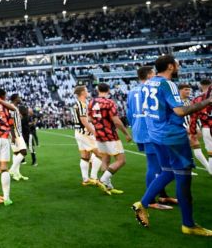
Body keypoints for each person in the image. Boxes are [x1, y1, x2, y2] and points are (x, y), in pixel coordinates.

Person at [132, 55, 212, 236]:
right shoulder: (168, 84)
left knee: (167, 171)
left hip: (156, 135)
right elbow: (180, 110)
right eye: (177, 64)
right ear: (170, 66)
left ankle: (142, 203)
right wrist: (207, 101)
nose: (179, 67)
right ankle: (188, 224)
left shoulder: (148, 84)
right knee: (183, 178)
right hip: (172, 137)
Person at [127, 66, 175, 210]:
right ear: (149, 75)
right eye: (153, 73)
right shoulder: (151, 88)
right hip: (151, 130)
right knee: (155, 165)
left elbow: (129, 112)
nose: (155, 76)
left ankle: (163, 195)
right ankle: (151, 200)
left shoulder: (132, 91)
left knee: (161, 165)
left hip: (139, 129)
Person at [88, 83, 132, 195]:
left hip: (99, 135)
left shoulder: (92, 102)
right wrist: (126, 133)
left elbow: (89, 118)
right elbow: (116, 121)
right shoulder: (109, 102)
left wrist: (99, 124)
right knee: (121, 161)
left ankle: (108, 186)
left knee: (105, 160)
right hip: (110, 135)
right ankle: (103, 180)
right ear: (108, 90)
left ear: (98, 90)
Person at [71, 85, 103, 187]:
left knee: (85, 156)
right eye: (86, 90)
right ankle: (93, 177)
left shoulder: (77, 104)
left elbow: (85, 118)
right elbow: (84, 121)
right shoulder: (82, 104)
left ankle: (85, 179)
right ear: (82, 93)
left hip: (78, 133)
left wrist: (93, 119)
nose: (88, 92)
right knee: (100, 154)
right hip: (85, 133)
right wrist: (94, 132)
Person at [179, 83, 210, 173]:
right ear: (180, 90)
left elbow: (196, 114)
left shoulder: (191, 100)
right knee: (188, 147)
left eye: (189, 90)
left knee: (194, 146)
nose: (188, 91)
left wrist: (197, 126)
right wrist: (185, 127)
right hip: (181, 128)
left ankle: (207, 168)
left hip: (191, 126)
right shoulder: (177, 102)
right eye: (186, 90)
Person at [189, 79, 212, 175]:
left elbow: (193, 117)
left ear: (200, 85)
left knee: (211, 153)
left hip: (207, 127)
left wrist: (192, 131)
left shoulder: (197, 99)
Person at [8, 94, 29, 181]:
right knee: (24, 151)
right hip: (15, 133)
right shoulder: (11, 107)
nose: (20, 99)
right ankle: (12, 170)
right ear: (15, 99)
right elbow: (10, 122)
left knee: (16, 153)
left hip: (15, 132)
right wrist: (13, 135)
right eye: (19, 98)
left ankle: (17, 174)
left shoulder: (15, 107)